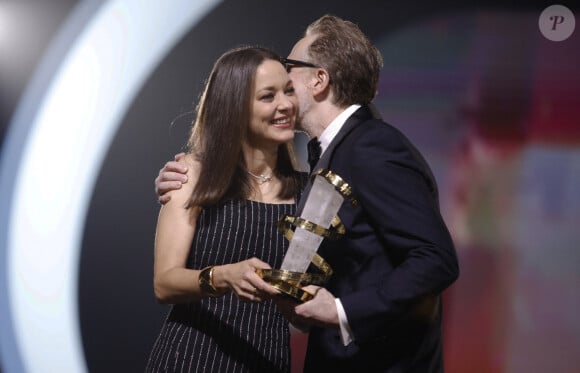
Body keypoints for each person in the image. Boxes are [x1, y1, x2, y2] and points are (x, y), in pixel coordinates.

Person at [155, 15, 459, 373]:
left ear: (319, 80)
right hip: (198, 356)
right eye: (268, 93)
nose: (284, 91)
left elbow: (434, 258)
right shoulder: (328, 162)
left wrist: (339, 311)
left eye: (289, 72)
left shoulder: (366, 149)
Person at [146, 46, 305, 373]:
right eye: (267, 96)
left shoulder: (310, 191)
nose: (285, 104)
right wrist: (224, 276)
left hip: (267, 359)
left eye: (289, 91)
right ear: (234, 107)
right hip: (191, 359)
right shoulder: (191, 174)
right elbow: (164, 282)